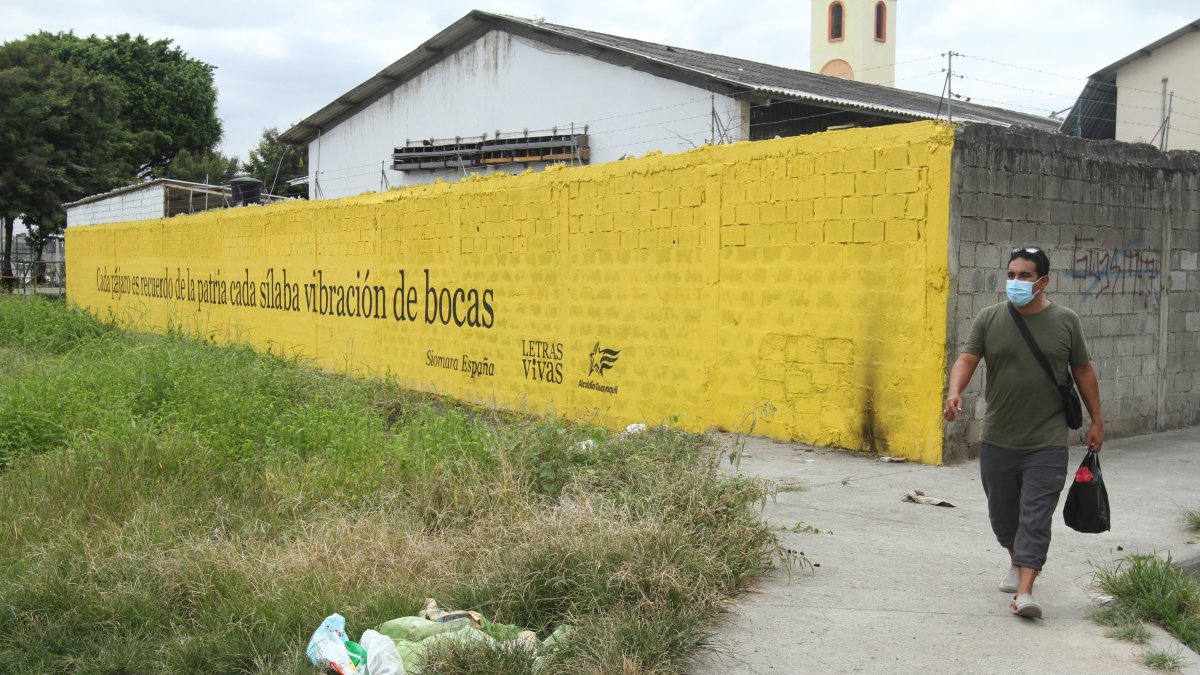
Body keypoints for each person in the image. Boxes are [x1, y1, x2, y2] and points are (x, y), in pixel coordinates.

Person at [943, 246, 1104, 619]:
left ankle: (1026, 592)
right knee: (1003, 516)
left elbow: (1082, 371)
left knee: (1036, 515)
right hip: (999, 434)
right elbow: (968, 358)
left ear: (1043, 281)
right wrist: (954, 391)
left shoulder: (1066, 321)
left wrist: (1097, 420)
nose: (1015, 282)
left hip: (1046, 439)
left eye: (1025, 276)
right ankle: (1016, 560)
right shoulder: (989, 318)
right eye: (1011, 274)